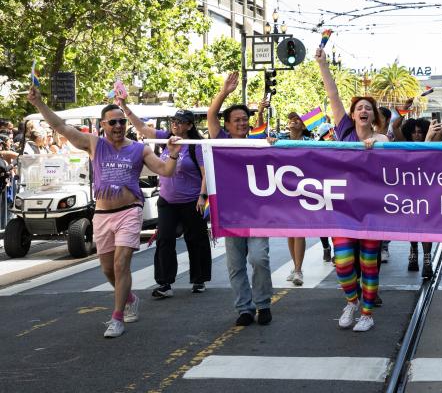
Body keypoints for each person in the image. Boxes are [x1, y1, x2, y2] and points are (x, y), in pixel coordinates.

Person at [27, 86, 182, 338]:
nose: (119, 126)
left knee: (122, 265)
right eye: (113, 122)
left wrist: (173, 156)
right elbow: (61, 128)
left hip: (129, 211)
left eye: (122, 121)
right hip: (101, 215)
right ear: (103, 125)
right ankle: (129, 298)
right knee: (108, 270)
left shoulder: (139, 149)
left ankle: (117, 317)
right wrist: (39, 104)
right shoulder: (94, 144)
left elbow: (165, 171)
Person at [317, 47, 387, 332]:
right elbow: (333, 95)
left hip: (372, 212)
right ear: (352, 114)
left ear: (373, 117)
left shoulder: (382, 138)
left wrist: (378, 145)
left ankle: (367, 314)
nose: (363, 111)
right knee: (343, 262)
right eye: (359, 107)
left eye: (368, 109)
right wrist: (323, 65)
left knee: (369, 265)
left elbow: (392, 157)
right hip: (344, 211)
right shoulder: (344, 131)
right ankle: (351, 302)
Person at [122, 104, 212, 297]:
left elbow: (206, 175)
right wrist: (124, 107)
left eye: (180, 122)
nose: (175, 125)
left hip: (191, 201)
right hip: (167, 200)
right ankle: (165, 283)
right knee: (164, 240)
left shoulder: (197, 146)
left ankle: (199, 279)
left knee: (195, 240)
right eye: (173, 121)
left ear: (189, 126)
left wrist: (202, 196)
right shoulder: (166, 139)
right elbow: (142, 128)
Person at [208, 72, 273, 327]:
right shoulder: (220, 140)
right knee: (235, 265)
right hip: (230, 213)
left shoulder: (257, 142)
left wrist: (272, 144)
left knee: (259, 258)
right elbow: (212, 115)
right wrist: (224, 92)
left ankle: (263, 304)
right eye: (237, 120)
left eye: (245, 119)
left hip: (257, 213)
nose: (242, 123)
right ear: (227, 125)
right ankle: (244, 309)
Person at [278, 111, 320, 286]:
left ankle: (298, 270)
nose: (293, 122)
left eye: (297, 120)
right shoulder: (279, 139)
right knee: (290, 231)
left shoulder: (311, 143)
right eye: (291, 120)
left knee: (299, 230)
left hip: (304, 189)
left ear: (304, 126)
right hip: (285, 190)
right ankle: (295, 267)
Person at [398, 116, 435, 278]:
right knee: (412, 226)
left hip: (428, 192)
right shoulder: (405, 145)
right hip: (410, 192)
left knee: (427, 228)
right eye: (414, 132)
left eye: (420, 132)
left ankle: (427, 259)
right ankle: (413, 250)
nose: (417, 135)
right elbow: (394, 126)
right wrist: (402, 111)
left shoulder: (432, 144)